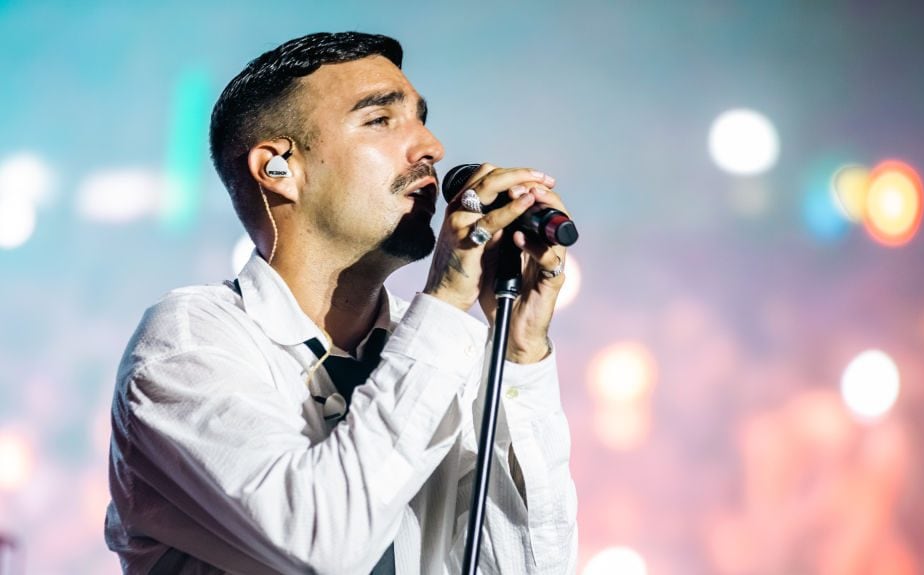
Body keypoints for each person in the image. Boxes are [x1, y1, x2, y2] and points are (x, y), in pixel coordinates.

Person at [104, 31, 578, 574]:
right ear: (278, 168)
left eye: (421, 117)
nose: (431, 147)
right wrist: (445, 300)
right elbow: (322, 544)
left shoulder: (449, 350)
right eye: (380, 119)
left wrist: (519, 353)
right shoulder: (190, 341)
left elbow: (531, 567)